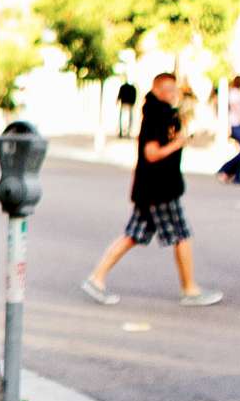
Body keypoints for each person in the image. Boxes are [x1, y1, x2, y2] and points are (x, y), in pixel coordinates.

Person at [81, 71, 224, 307]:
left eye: (173, 89)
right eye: (167, 89)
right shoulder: (159, 114)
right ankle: (190, 288)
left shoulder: (156, 112)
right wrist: (177, 143)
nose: (172, 94)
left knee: (133, 235)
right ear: (156, 90)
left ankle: (96, 278)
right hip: (161, 188)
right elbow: (151, 152)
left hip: (151, 188)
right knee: (181, 234)